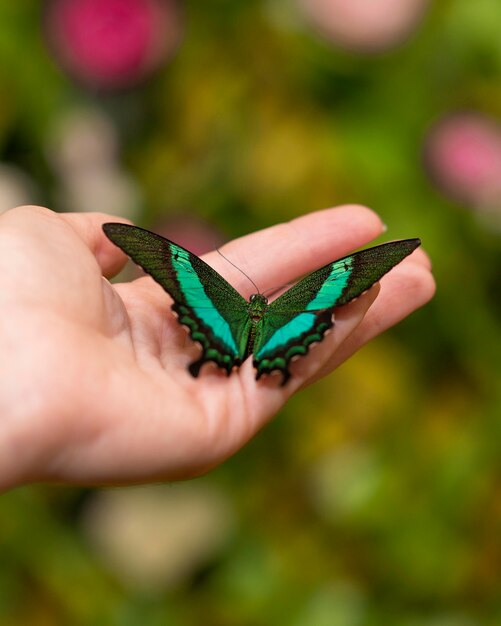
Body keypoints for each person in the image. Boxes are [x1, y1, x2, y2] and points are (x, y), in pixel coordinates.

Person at [0, 204, 435, 492]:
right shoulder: (297, 296)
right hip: (289, 329)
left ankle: (233, 350)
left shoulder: (215, 291)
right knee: (311, 318)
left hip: (218, 326)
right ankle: (270, 355)